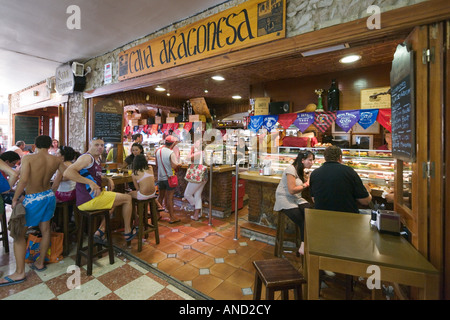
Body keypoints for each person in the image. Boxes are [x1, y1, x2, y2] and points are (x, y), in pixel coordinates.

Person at [0, 135, 66, 287]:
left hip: (33, 198)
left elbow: (23, 180)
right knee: (46, 229)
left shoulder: (28, 158)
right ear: (50, 145)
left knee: (18, 235)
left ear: (35, 145)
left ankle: (19, 273)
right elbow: (65, 173)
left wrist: (15, 198)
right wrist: (54, 187)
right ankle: (41, 262)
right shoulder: (56, 160)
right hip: (49, 196)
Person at [63, 137, 138, 245]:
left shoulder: (96, 159)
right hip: (88, 200)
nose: (100, 147)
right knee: (127, 198)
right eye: (96, 145)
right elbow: (67, 173)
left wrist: (107, 179)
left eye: (102, 145)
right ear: (90, 145)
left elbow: (96, 175)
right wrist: (90, 182)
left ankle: (100, 231)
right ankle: (128, 231)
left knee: (114, 202)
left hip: (93, 197)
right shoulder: (86, 158)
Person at [274, 150, 315, 255]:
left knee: (310, 214)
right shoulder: (290, 169)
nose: (312, 162)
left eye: (313, 160)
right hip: (284, 198)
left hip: (296, 198)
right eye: (310, 160)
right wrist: (307, 183)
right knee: (303, 221)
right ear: (302, 160)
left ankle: (306, 244)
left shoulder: (300, 170)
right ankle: (303, 246)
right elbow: (292, 190)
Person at [309, 145, 372, 213]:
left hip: (322, 217)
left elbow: (314, 199)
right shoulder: (349, 171)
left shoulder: (314, 174)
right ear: (340, 157)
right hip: (346, 217)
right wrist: (368, 191)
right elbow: (365, 201)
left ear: (325, 158)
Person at [156, 135, 180, 224]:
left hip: (160, 177)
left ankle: (157, 215)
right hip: (169, 177)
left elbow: (156, 164)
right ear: (173, 143)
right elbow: (174, 166)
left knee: (160, 197)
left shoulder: (158, 151)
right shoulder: (171, 153)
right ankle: (172, 217)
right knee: (169, 198)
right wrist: (178, 164)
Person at [184, 138, 208, 221]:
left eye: (196, 142)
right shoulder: (203, 152)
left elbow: (188, 158)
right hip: (203, 177)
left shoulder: (200, 152)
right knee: (197, 195)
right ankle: (196, 215)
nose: (194, 143)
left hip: (197, 176)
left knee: (187, 194)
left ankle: (196, 209)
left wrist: (191, 149)